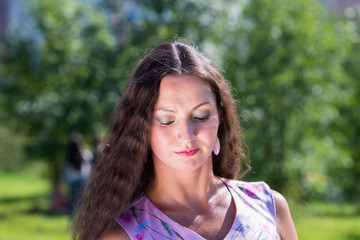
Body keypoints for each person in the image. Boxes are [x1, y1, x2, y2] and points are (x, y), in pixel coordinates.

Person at [73, 41, 298, 240]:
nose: (187, 134)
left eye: (200, 115)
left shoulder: (268, 206)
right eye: (166, 120)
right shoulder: (123, 234)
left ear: (219, 116)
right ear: (142, 128)